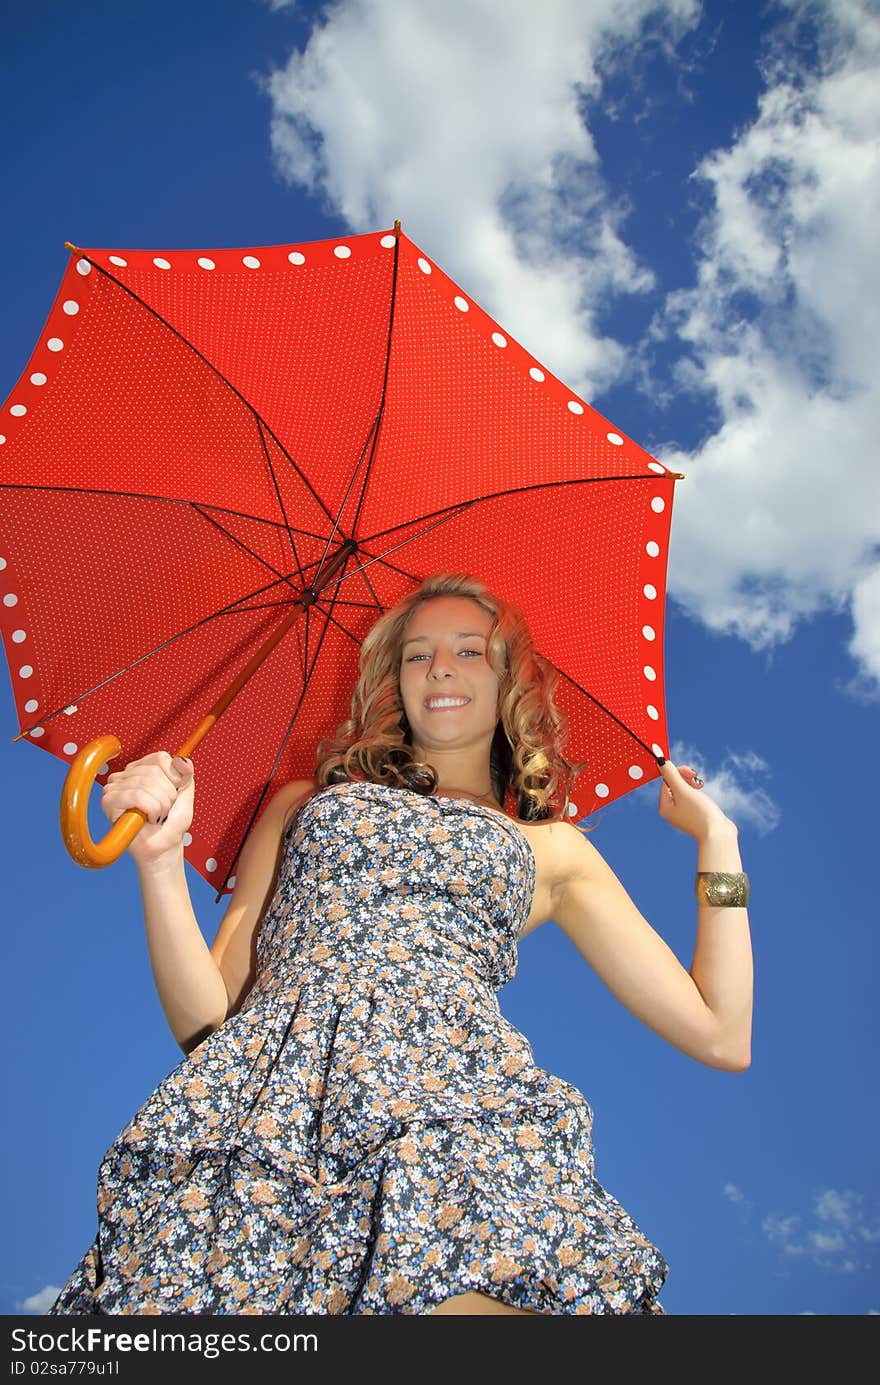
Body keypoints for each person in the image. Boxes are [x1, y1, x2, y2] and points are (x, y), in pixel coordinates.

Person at [49, 571, 752, 1316]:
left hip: (452, 1115)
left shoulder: (553, 848)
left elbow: (721, 1032)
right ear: (394, 680)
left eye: (469, 650)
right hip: (273, 1133)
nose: (440, 667)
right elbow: (210, 1018)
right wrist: (160, 858)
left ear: (511, 679)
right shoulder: (305, 802)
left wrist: (720, 840)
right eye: (417, 654)